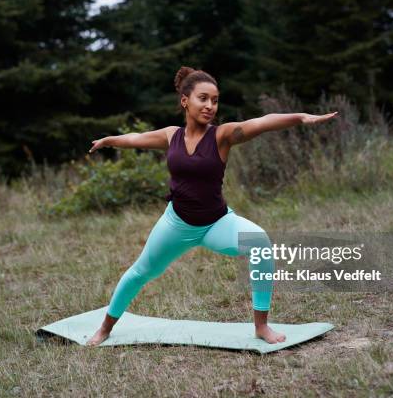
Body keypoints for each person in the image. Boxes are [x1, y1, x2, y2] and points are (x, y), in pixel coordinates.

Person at [86, 66, 337, 345]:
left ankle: (261, 326)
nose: (210, 106)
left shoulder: (223, 136)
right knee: (141, 271)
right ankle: (106, 327)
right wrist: (109, 140)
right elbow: (135, 139)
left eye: (215, 100)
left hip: (217, 223)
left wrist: (300, 117)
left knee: (260, 244)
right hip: (176, 224)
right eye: (203, 98)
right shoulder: (171, 136)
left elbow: (262, 121)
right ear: (185, 101)